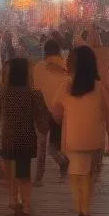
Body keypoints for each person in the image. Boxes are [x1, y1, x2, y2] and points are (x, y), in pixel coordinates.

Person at [50, 44, 109, 216]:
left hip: (72, 138)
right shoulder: (98, 87)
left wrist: (64, 118)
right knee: (88, 174)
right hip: (93, 138)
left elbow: (55, 111)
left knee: (77, 172)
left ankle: (80, 208)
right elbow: (108, 113)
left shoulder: (66, 86)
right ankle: (84, 211)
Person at [0, 56, 49, 216]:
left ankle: (14, 199)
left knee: (12, 172)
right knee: (24, 173)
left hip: (8, 136)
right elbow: (40, 118)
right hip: (26, 137)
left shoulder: (3, 93)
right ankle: (26, 204)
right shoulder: (34, 94)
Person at [32, 39, 69, 184]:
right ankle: (64, 163)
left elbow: (36, 90)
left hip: (43, 109)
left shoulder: (39, 67)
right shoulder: (66, 66)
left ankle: (39, 177)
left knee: (42, 144)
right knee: (57, 144)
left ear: (44, 51)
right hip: (62, 109)